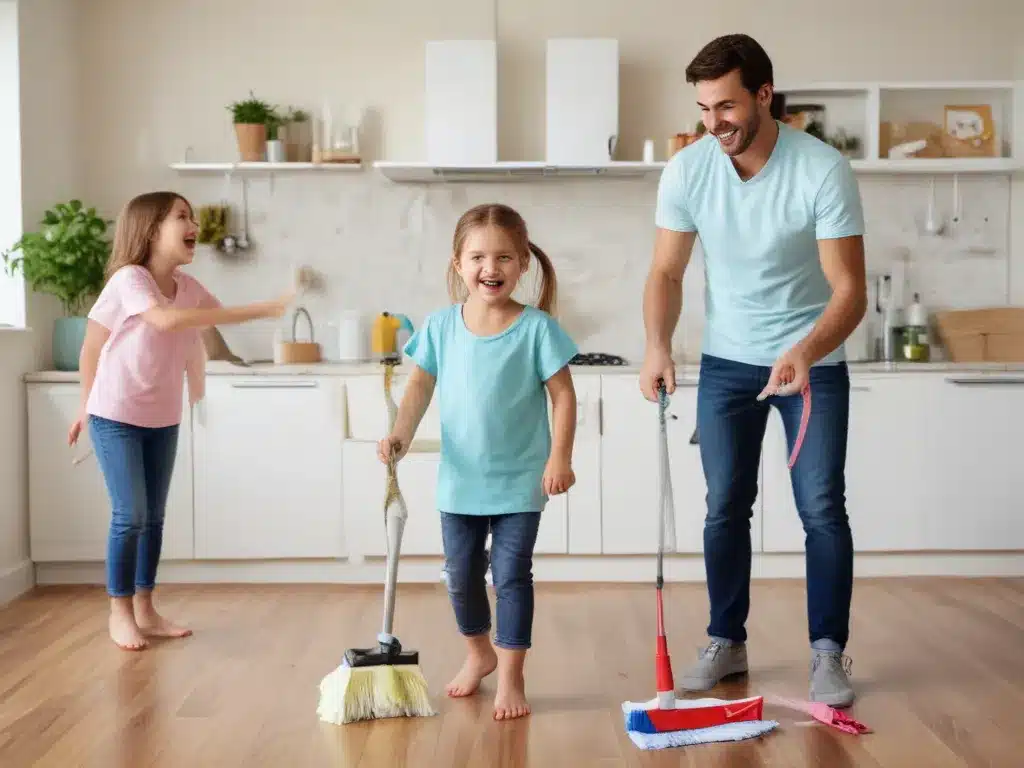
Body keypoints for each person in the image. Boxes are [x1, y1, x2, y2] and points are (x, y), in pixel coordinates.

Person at [640, 34, 867, 708]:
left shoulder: (822, 170)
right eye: (705, 108)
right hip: (726, 363)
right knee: (724, 507)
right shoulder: (688, 170)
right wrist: (657, 344)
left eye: (728, 106)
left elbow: (849, 290)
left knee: (822, 508)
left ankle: (828, 652)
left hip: (812, 361)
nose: (715, 123)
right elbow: (665, 270)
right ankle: (726, 641)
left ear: (765, 95)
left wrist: (806, 349)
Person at [71, 191, 297, 651]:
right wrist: (84, 404)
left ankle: (146, 609)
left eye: (192, 216)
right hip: (115, 414)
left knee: (153, 518)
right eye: (182, 217)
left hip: (162, 416)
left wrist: (228, 356)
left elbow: (207, 325)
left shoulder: (188, 288)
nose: (193, 224)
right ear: (151, 230)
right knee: (130, 514)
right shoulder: (130, 280)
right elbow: (128, 334)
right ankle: (119, 612)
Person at [378, 203, 578, 720]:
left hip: (520, 480)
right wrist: (401, 431)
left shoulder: (536, 329)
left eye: (504, 257)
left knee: (511, 576)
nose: (491, 267)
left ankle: (512, 676)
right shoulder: (442, 326)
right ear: (457, 263)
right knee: (461, 575)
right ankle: (479, 653)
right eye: (478, 256)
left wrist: (560, 456)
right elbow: (420, 384)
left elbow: (563, 397)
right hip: (461, 481)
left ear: (523, 264)